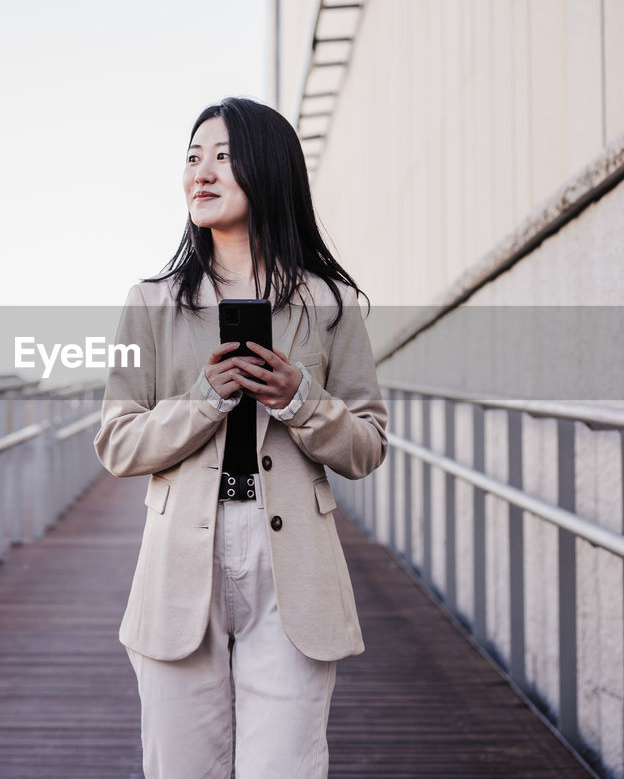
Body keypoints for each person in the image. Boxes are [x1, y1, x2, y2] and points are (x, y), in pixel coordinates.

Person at [93, 96, 388, 778]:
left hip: (292, 566)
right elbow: (116, 441)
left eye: (222, 156)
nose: (202, 171)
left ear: (270, 169)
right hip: (178, 565)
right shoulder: (150, 302)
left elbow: (368, 443)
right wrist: (204, 400)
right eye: (192, 158)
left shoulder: (327, 303)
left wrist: (299, 399)